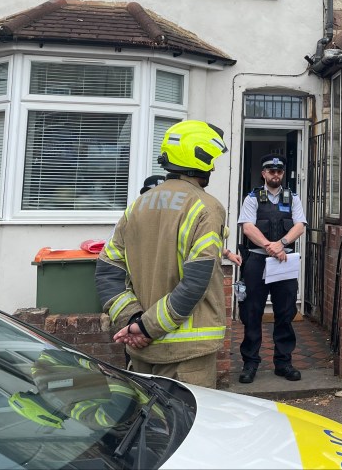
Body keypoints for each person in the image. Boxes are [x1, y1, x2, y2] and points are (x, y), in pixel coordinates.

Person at [95, 120, 241, 388]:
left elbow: (107, 272)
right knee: (188, 427)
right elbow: (196, 282)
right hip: (187, 357)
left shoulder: (138, 206)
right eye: (210, 159)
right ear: (199, 157)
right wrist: (147, 327)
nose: (213, 166)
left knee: (149, 426)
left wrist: (133, 320)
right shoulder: (206, 207)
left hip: (140, 352)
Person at [237, 153, 307, 383]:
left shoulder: (292, 198)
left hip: (284, 261)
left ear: (283, 174)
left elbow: (300, 226)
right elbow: (247, 228)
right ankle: (250, 363)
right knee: (252, 312)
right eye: (271, 171)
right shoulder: (252, 198)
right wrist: (270, 247)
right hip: (257, 261)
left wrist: (282, 245)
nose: (275, 174)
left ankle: (283, 363)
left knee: (285, 312)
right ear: (263, 173)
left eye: (279, 171)